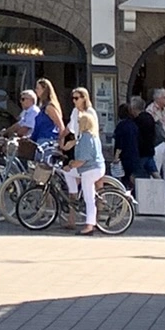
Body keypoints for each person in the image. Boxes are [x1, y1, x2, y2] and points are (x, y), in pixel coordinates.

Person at [61, 86, 105, 235]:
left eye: (76, 98)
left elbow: (84, 158)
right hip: (88, 161)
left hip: (90, 165)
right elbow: (72, 129)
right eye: (73, 98)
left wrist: (72, 164)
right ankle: (74, 196)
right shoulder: (77, 116)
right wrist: (65, 140)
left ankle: (90, 225)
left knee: (89, 196)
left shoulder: (89, 118)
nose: (74, 101)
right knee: (68, 173)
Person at [146, 89, 165, 200]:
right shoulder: (151, 110)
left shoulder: (164, 110)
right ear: (158, 98)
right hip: (158, 142)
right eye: (164, 97)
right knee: (156, 167)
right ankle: (155, 192)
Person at [112, 102, 142, 186]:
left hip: (124, 156)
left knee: (123, 179)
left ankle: (125, 192)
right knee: (131, 177)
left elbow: (119, 143)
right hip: (134, 154)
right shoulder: (134, 125)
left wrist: (116, 157)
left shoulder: (121, 126)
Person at [31, 78, 65, 150]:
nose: (36, 90)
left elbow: (60, 126)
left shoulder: (49, 107)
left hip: (48, 141)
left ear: (44, 90)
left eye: (38, 88)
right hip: (39, 141)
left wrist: (61, 144)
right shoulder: (42, 107)